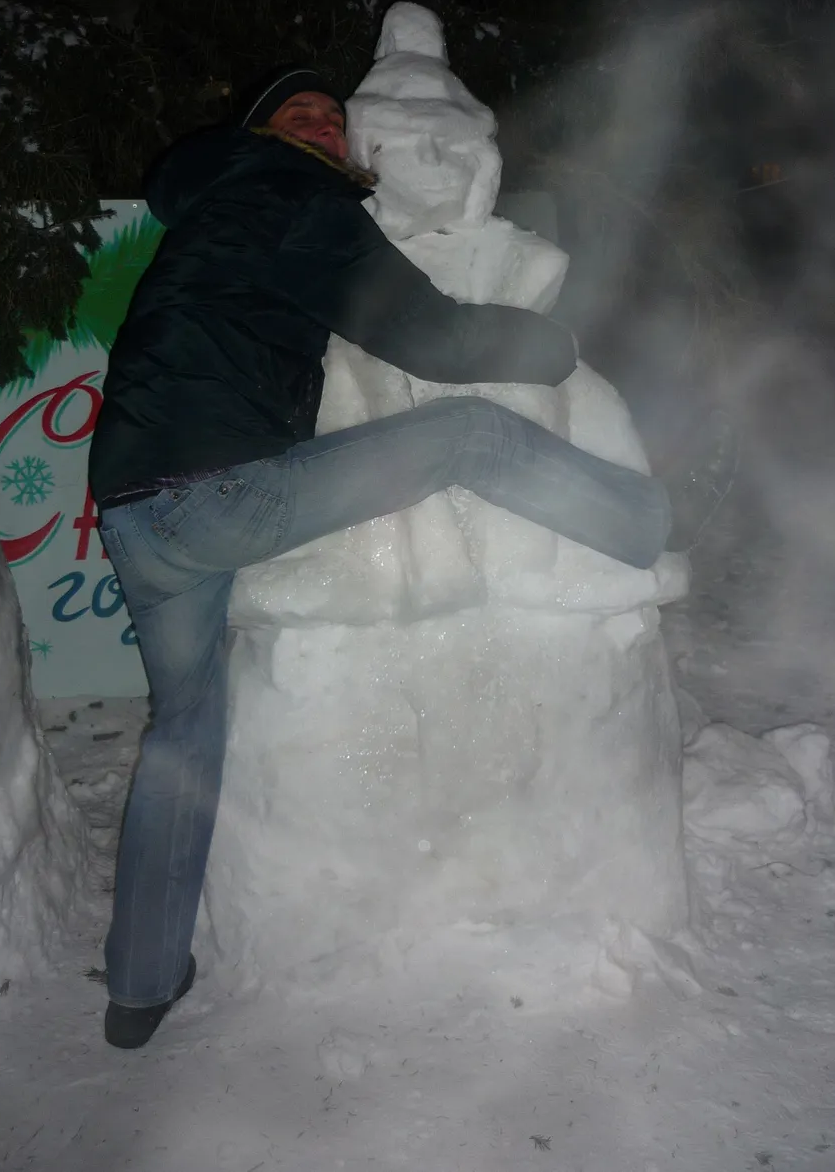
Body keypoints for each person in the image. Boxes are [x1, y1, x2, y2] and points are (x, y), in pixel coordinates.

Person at [88, 63, 674, 1049]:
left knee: (182, 732)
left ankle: (140, 984)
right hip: (217, 494)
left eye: (332, 115)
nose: (321, 123)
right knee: (469, 435)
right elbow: (430, 337)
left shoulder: (220, 200)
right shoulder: (290, 189)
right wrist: (554, 348)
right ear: (264, 132)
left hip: (135, 512)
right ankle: (646, 524)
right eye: (298, 111)